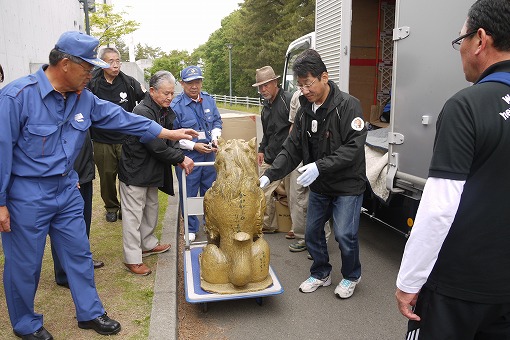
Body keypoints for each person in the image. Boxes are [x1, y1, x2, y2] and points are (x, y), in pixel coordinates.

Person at [0, 31, 197, 339]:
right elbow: (1, 151)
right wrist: (0, 203)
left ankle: (90, 312)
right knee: (25, 265)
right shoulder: (17, 96)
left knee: (79, 255)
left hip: (66, 190)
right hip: (27, 195)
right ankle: (26, 324)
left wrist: (170, 134)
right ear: (65, 64)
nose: (91, 73)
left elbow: (124, 119)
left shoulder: (83, 98)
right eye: (87, 67)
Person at [395, 0, 510, 338]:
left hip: (458, 288)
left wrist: (409, 281)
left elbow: (439, 208)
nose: (459, 49)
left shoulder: (467, 106)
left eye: (460, 40)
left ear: (480, 39)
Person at [259, 49, 367, 298]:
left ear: (324, 77)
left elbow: (353, 148)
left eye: (308, 84)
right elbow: (293, 147)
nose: (304, 91)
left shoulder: (348, 106)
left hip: (347, 185)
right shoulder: (306, 108)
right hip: (320, 185)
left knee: (344, 234)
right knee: (312, 232)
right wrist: (270, 175)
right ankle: (321, 273)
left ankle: (352, 275)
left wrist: (320, 166)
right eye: (300, 85)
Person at [119, 71, 193, 276]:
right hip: (135, 170)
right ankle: (132, 258)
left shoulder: (165, 110)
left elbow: (172, 140)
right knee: (133, 215)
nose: (170, 97)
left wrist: (179, 154)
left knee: (151, 208)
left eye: (172, 93)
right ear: (152, 91)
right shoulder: (141, 111)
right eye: (165, 93)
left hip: (152, 171)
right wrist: (179, 158)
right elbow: (157, 146)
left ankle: (148, 243)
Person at [88, 47, 145, 223]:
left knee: (128, 176)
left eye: (118, 61)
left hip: (126, 139)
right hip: (102, 140)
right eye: (110, 61)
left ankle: (127, 208)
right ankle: (111, 207)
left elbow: (145, 99)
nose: (115, 65)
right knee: (106, 177)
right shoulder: (93, 84)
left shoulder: (128, 82)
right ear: (102, 63)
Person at [171, 66, 222, 242]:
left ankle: (211, 223)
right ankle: (191, 227)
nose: (194, 86)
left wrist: (215, 138)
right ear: (182, 83)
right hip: (189, 156)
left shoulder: (208, 100)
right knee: (189, 192)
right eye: (190, 82)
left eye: (197, 82)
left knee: (210, 191)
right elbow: (173, 136)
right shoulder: (176, 106)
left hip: (209, 155)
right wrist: (194, 146)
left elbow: (216, 121)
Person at [51, 131, 104, 291]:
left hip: (84, 174)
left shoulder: (79, 109)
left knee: (83, 223)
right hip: (69, 179)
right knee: (64, 227)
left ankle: (82, 262)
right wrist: (69, 176)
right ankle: (64, 273)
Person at [252, 66, 292, 233]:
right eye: (260, 86)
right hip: (270, 157)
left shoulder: (288, 100)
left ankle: (296, 228)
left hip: (290, 157)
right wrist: (261, 149)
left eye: (266, 85)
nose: (263, 89)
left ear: (275, 82)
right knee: (261, 190)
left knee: (295, 195)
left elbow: (296, 126)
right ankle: (267, 225)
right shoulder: (265, 106)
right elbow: (267, 132)